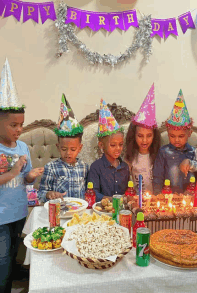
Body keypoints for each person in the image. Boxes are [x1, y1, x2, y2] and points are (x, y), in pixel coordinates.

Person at [0, 59, 44, 292]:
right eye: (13, 125)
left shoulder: (22, 148)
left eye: (21, 125)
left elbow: (26, 179)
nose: (18, 130)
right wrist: (14, 171)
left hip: (18, 210)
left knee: (16, 249)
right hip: (0, 215)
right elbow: (13, 174)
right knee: (3, 258)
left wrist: (30, 175)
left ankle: (13, 280)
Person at [38, 94, 89, 202]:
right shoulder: (51, 167)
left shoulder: (85, 167)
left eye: (73, 149)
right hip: (60, 212)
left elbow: (89, 192)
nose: (68, 153)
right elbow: (40, 193)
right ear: (58, 147)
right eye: (64, 149)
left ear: (80, 148)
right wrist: (49, 194)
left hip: (79, 213)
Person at [153, 89, 195, 194]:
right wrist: (158, 195)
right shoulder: (163, 152)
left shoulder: (194, 152)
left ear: (189, 134)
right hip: (168, 199)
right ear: (167, 133)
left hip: (188, 199)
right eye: (172, 136)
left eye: (181, 136)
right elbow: (158, 177)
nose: (176, 140)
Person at [88, 99, 129, 202]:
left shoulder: (125, 167)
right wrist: (112, 200)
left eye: (120, 144)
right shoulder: (95, 167)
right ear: (101, 145)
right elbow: (93, 193)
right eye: (113, 145)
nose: (118, 148)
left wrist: (128, 196)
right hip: (102, 211)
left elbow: (128, 191)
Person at [125, 84, 161, 194]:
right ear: (133, 135)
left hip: (156, 202)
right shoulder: (129, 157)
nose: (144, 141)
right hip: (137, 202)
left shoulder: (159, 155)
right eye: (140, 136)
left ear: (154, 136)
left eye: (149, 136)